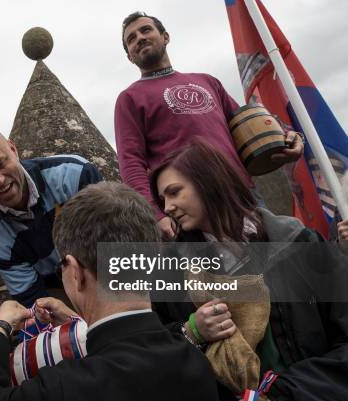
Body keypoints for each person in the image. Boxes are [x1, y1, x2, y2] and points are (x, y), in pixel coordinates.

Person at [0, 181, 221, 401]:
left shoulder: (65, 389)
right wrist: (78, 324)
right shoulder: (199, 366)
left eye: (62, 268)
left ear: (75, 271)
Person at [149, 141, 348, 401]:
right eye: (163, 199)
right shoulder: (171, 272)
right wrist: (191, 331)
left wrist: (284, 398)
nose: (168, 207)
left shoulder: (300, 243)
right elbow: (152, 352)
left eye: (174, 193)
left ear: (209, 182)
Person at [114, 11, 304, 238]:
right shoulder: (129, 98)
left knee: (278, 265)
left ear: (165, 36)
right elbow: (130, 163)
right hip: (191, 206)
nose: (139, 38)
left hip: (242, 194)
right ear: (130, 57)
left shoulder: (207, 81)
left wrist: (287, 139)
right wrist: (156, 214)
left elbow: (247, 125)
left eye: (146, 30)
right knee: (228, 274)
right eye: (131, 39)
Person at [0, 125, 102, 307]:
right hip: (63, 297)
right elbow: (37, 304)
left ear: (13, 149)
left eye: (0, 164)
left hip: (109, 272)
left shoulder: (74, 174)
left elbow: (123, 246)